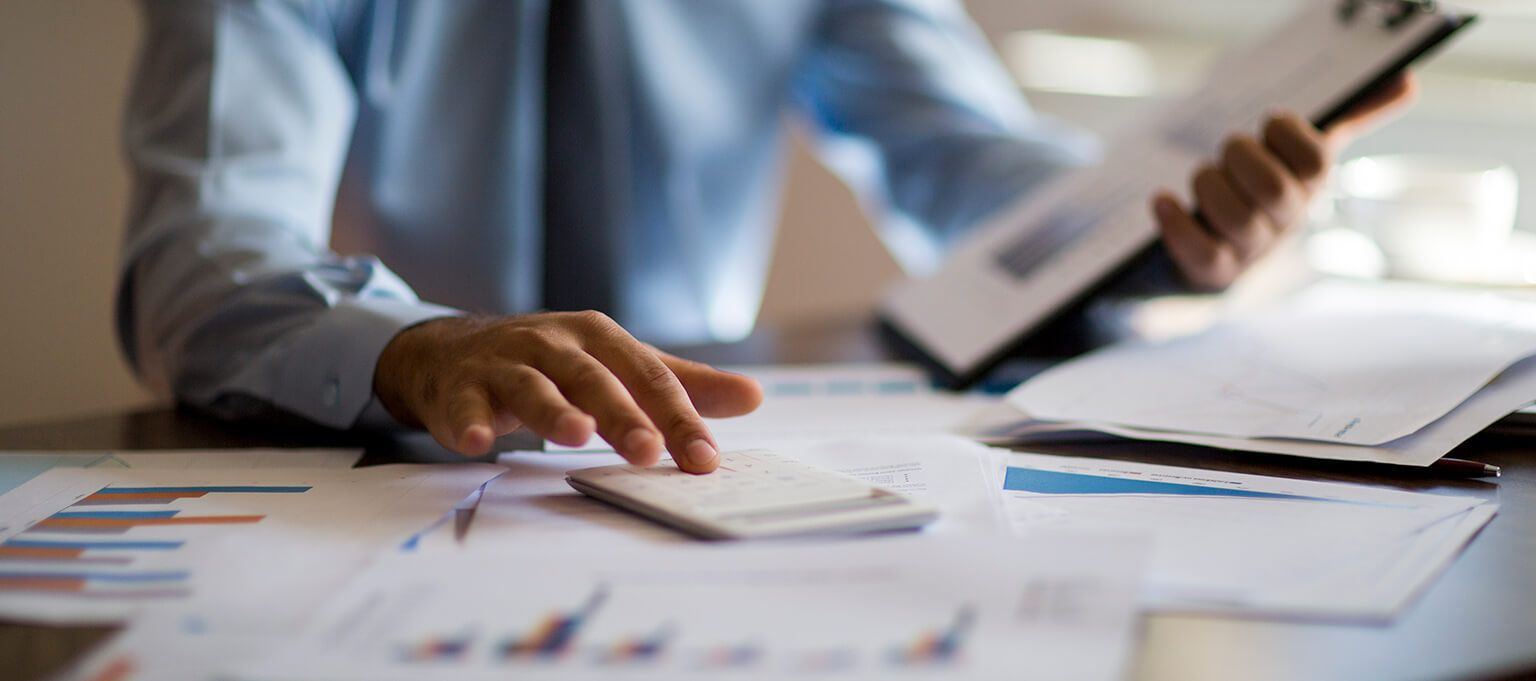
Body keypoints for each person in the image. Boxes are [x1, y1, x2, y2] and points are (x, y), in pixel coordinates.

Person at [118, 1, 1414, 474]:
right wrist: (413, 347)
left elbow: (971, 170)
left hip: (699, 467)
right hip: (395, 474)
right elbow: (202, 249)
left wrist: (1172, 224)